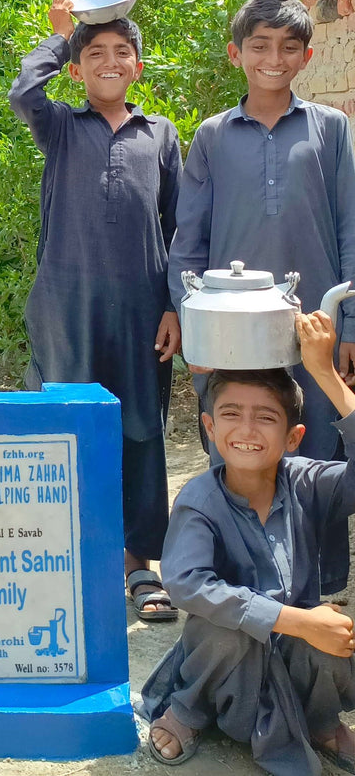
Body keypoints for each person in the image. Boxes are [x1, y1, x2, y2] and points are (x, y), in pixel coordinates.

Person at [168, 0, 355, 595]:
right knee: (240, 443)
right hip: (229, 332)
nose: (274, 58)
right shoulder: (213, 136)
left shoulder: (331, 130)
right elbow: (188, 244)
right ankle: (236, 584)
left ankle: (321, 586)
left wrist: (345, 329)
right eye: (260, 45)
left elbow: (351, 229)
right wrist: (196, 333)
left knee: (317, 446)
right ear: (236, 53)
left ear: (305, 56)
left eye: (288, 47)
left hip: (312, 335)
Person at [7, 0, 182, 621]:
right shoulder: (61, 127)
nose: (110, 60)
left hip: (140, 311)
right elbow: (24, 93)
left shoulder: (159, 135)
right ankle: (64, 555)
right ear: (77, 71)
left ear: (137, 66)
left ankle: (139, 564)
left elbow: (176, 226)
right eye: (95, 53)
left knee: (140, 430)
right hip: (66, 306)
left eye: (122, 52)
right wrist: (60, 34)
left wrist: (173, 306)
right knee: (67, 428)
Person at [141, 311, 355, 773]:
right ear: (210, 428)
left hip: (291, 651)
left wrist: (325, 374)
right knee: (224, 627)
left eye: (266, 417)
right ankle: (189, 711)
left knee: (330, 629)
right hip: (221, 659)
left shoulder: (307, 482)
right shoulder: (200, 498)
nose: (247, 430)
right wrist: (293, 619)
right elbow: (189, 585)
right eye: (230, 415)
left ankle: (319, 721)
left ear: (294, 437)